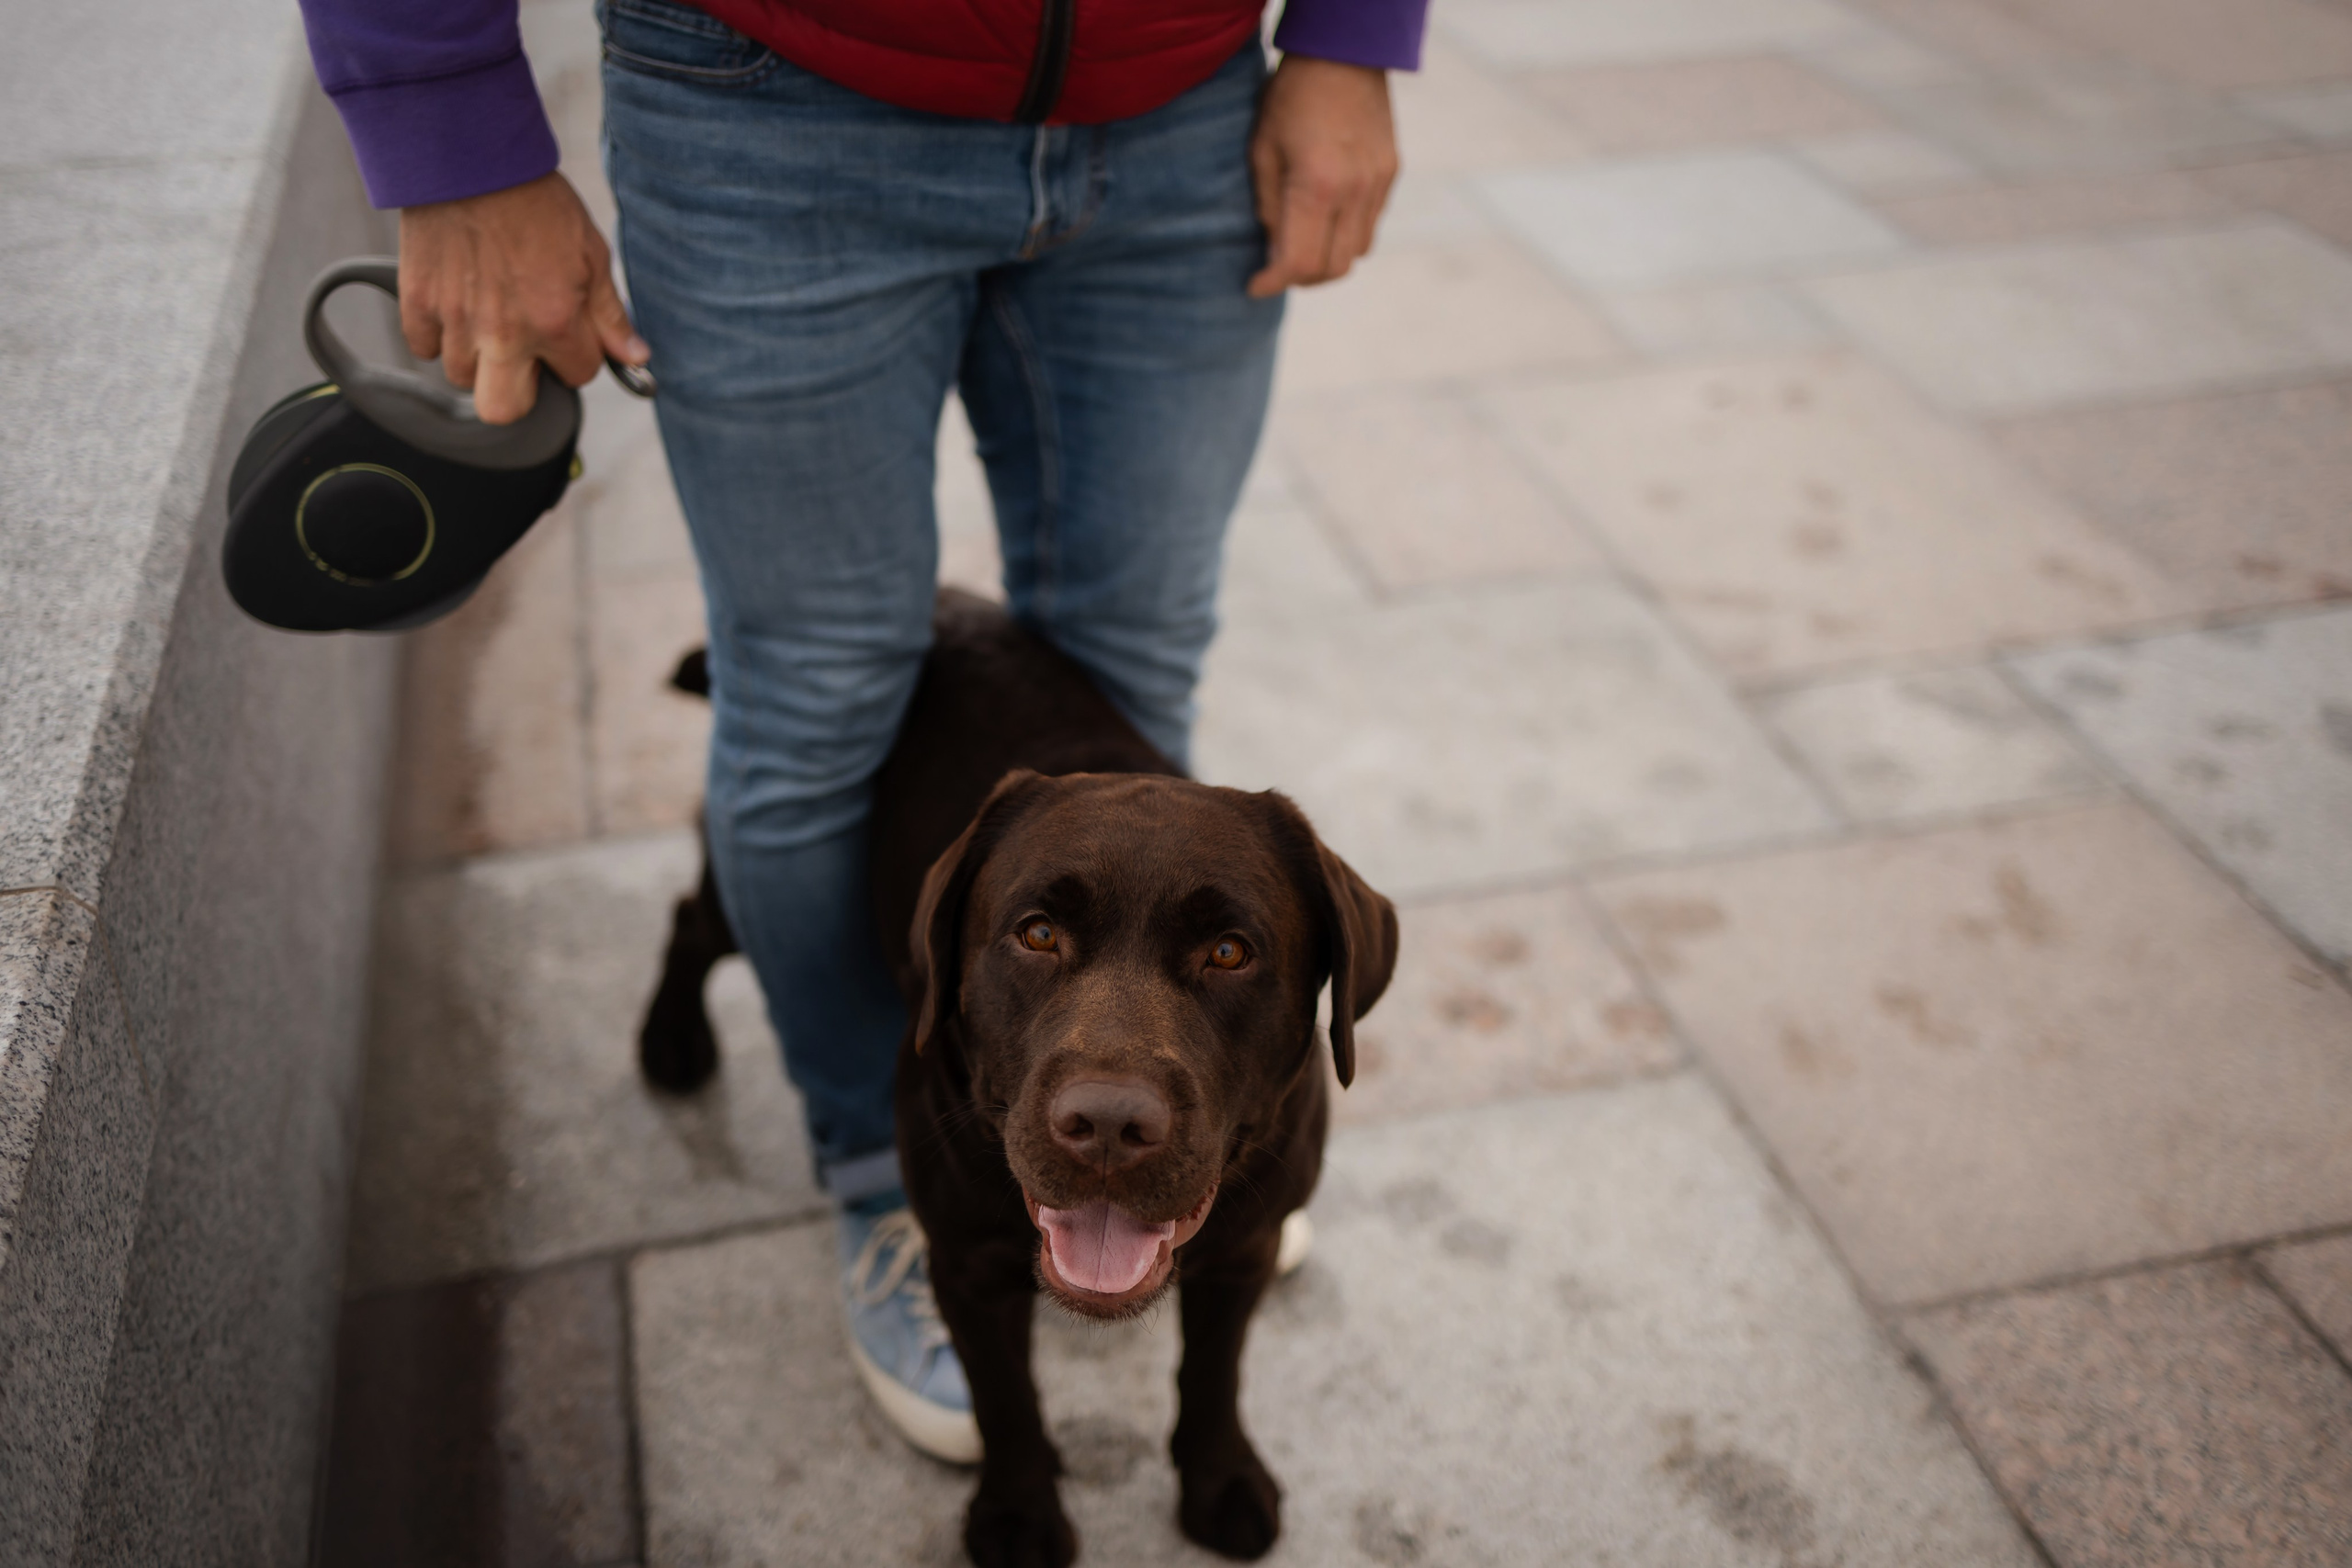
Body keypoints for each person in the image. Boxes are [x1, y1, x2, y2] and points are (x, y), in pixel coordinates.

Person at [295, 0, 1419, 1460]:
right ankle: (884, 1163)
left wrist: (1352, 35)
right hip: (768, 95)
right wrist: (447, 126)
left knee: (1130, 685)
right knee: (817, 693)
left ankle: (1178, 1145)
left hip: (1184, 93)